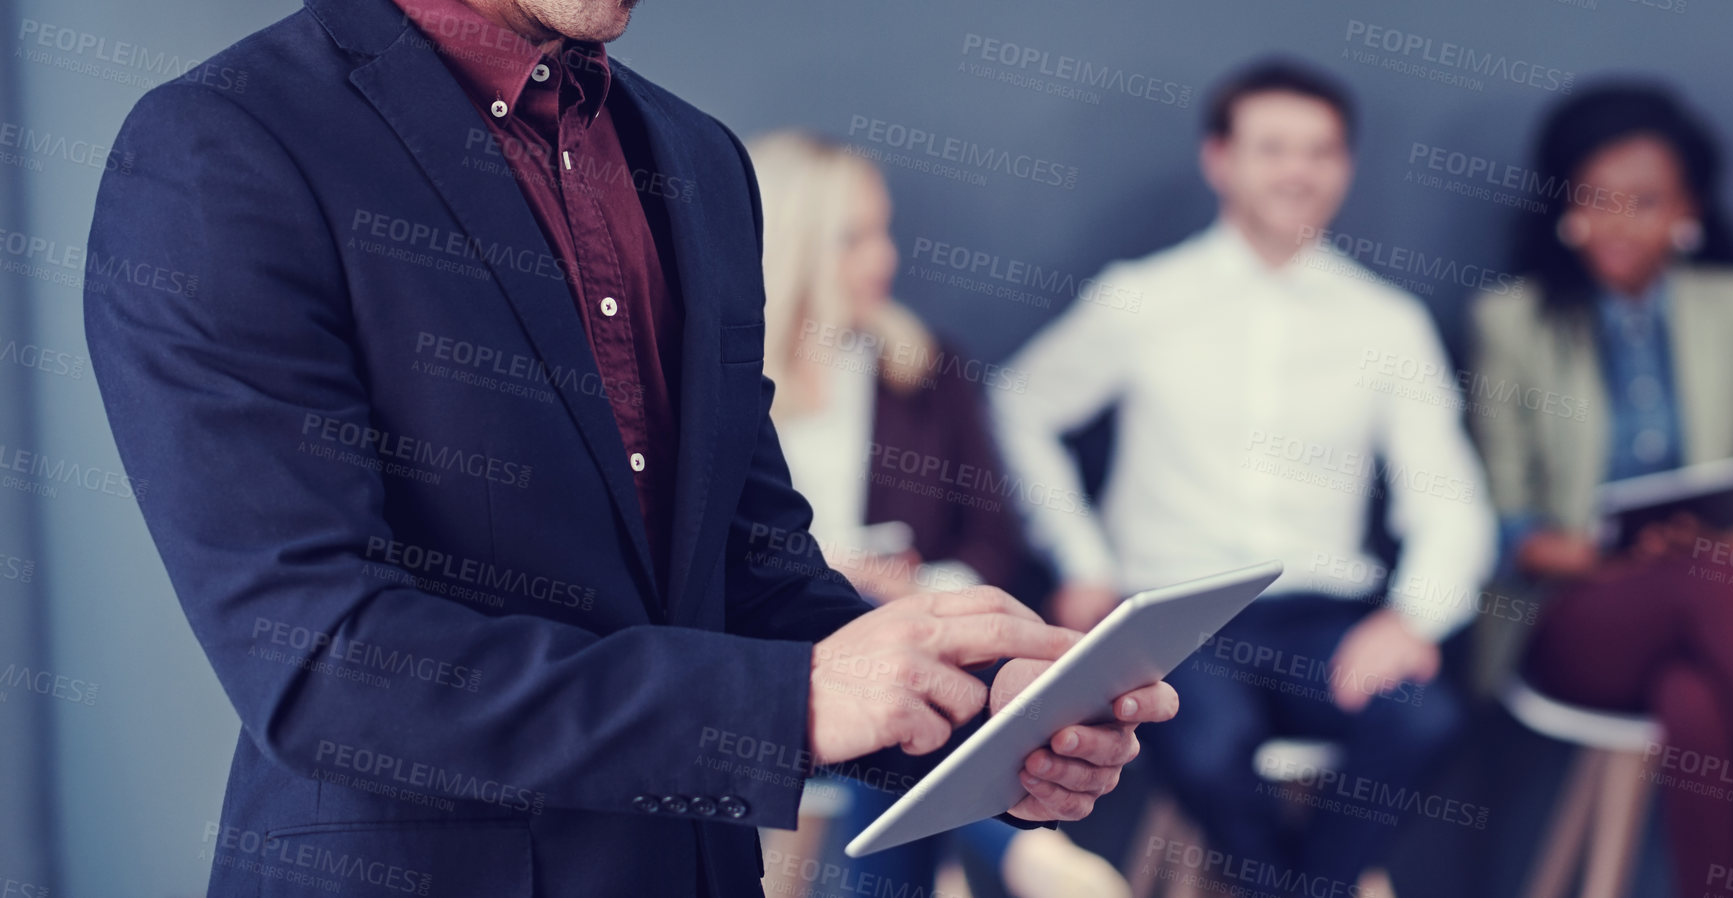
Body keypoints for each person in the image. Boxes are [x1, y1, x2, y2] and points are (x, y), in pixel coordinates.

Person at [81, 0, 1172, 895]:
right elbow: (320, 662)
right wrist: (783, 701)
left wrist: (981, 721)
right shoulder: (223, 146)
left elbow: (747, 571)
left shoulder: (697, 159)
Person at [993, 57, 1494, 897]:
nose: (1297, 171)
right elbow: (1019, 406)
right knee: (1206, 736)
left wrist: (1413, 618)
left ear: (1346, 167)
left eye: (1320, 150)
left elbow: (1449, 498)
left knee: (1423, 716)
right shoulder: (1142, 298)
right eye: (1272, 148)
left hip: (1322, 618)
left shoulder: (1386, 322)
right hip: (1174, 616)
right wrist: (1079, 560)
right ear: (1219, 159)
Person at [1468, 84, 1733, 898]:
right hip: (1574, 615)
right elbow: (1509, 523)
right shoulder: (1513, 322)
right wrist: (1610, 553)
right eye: (1596, 199)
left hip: (1722, 606)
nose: (1618, 222)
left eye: (1644, 202)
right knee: (1700, 581)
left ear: (1686, 211)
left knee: (1695, 696)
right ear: (1565, 204)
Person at [745, 130, 1127, 898]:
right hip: (779, 656)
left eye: (883, 231)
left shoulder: (922, 369)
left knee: (906, 667)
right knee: (875, 656)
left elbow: (991, 541)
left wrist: (920, 591)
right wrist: (826, 578)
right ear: (792, 243)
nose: (883, 257)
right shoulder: (718, 382)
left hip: (916, 636)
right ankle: (1022, 855)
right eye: (853, 238)